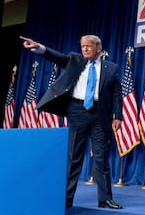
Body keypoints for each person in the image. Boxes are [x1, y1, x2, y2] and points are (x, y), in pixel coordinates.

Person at [20, 35, 123, 210]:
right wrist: (38, 47)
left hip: (100, 116)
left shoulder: (111, 68)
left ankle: (105, 199)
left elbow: (116, 95)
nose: (84, 49)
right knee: (73, 158)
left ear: (98, 48)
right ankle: (66, 200)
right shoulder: (75, 60)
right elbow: (56, 56)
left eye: (88, 46)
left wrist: (118, 116)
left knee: (101, 159)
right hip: (77, 112)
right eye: (83, 46)